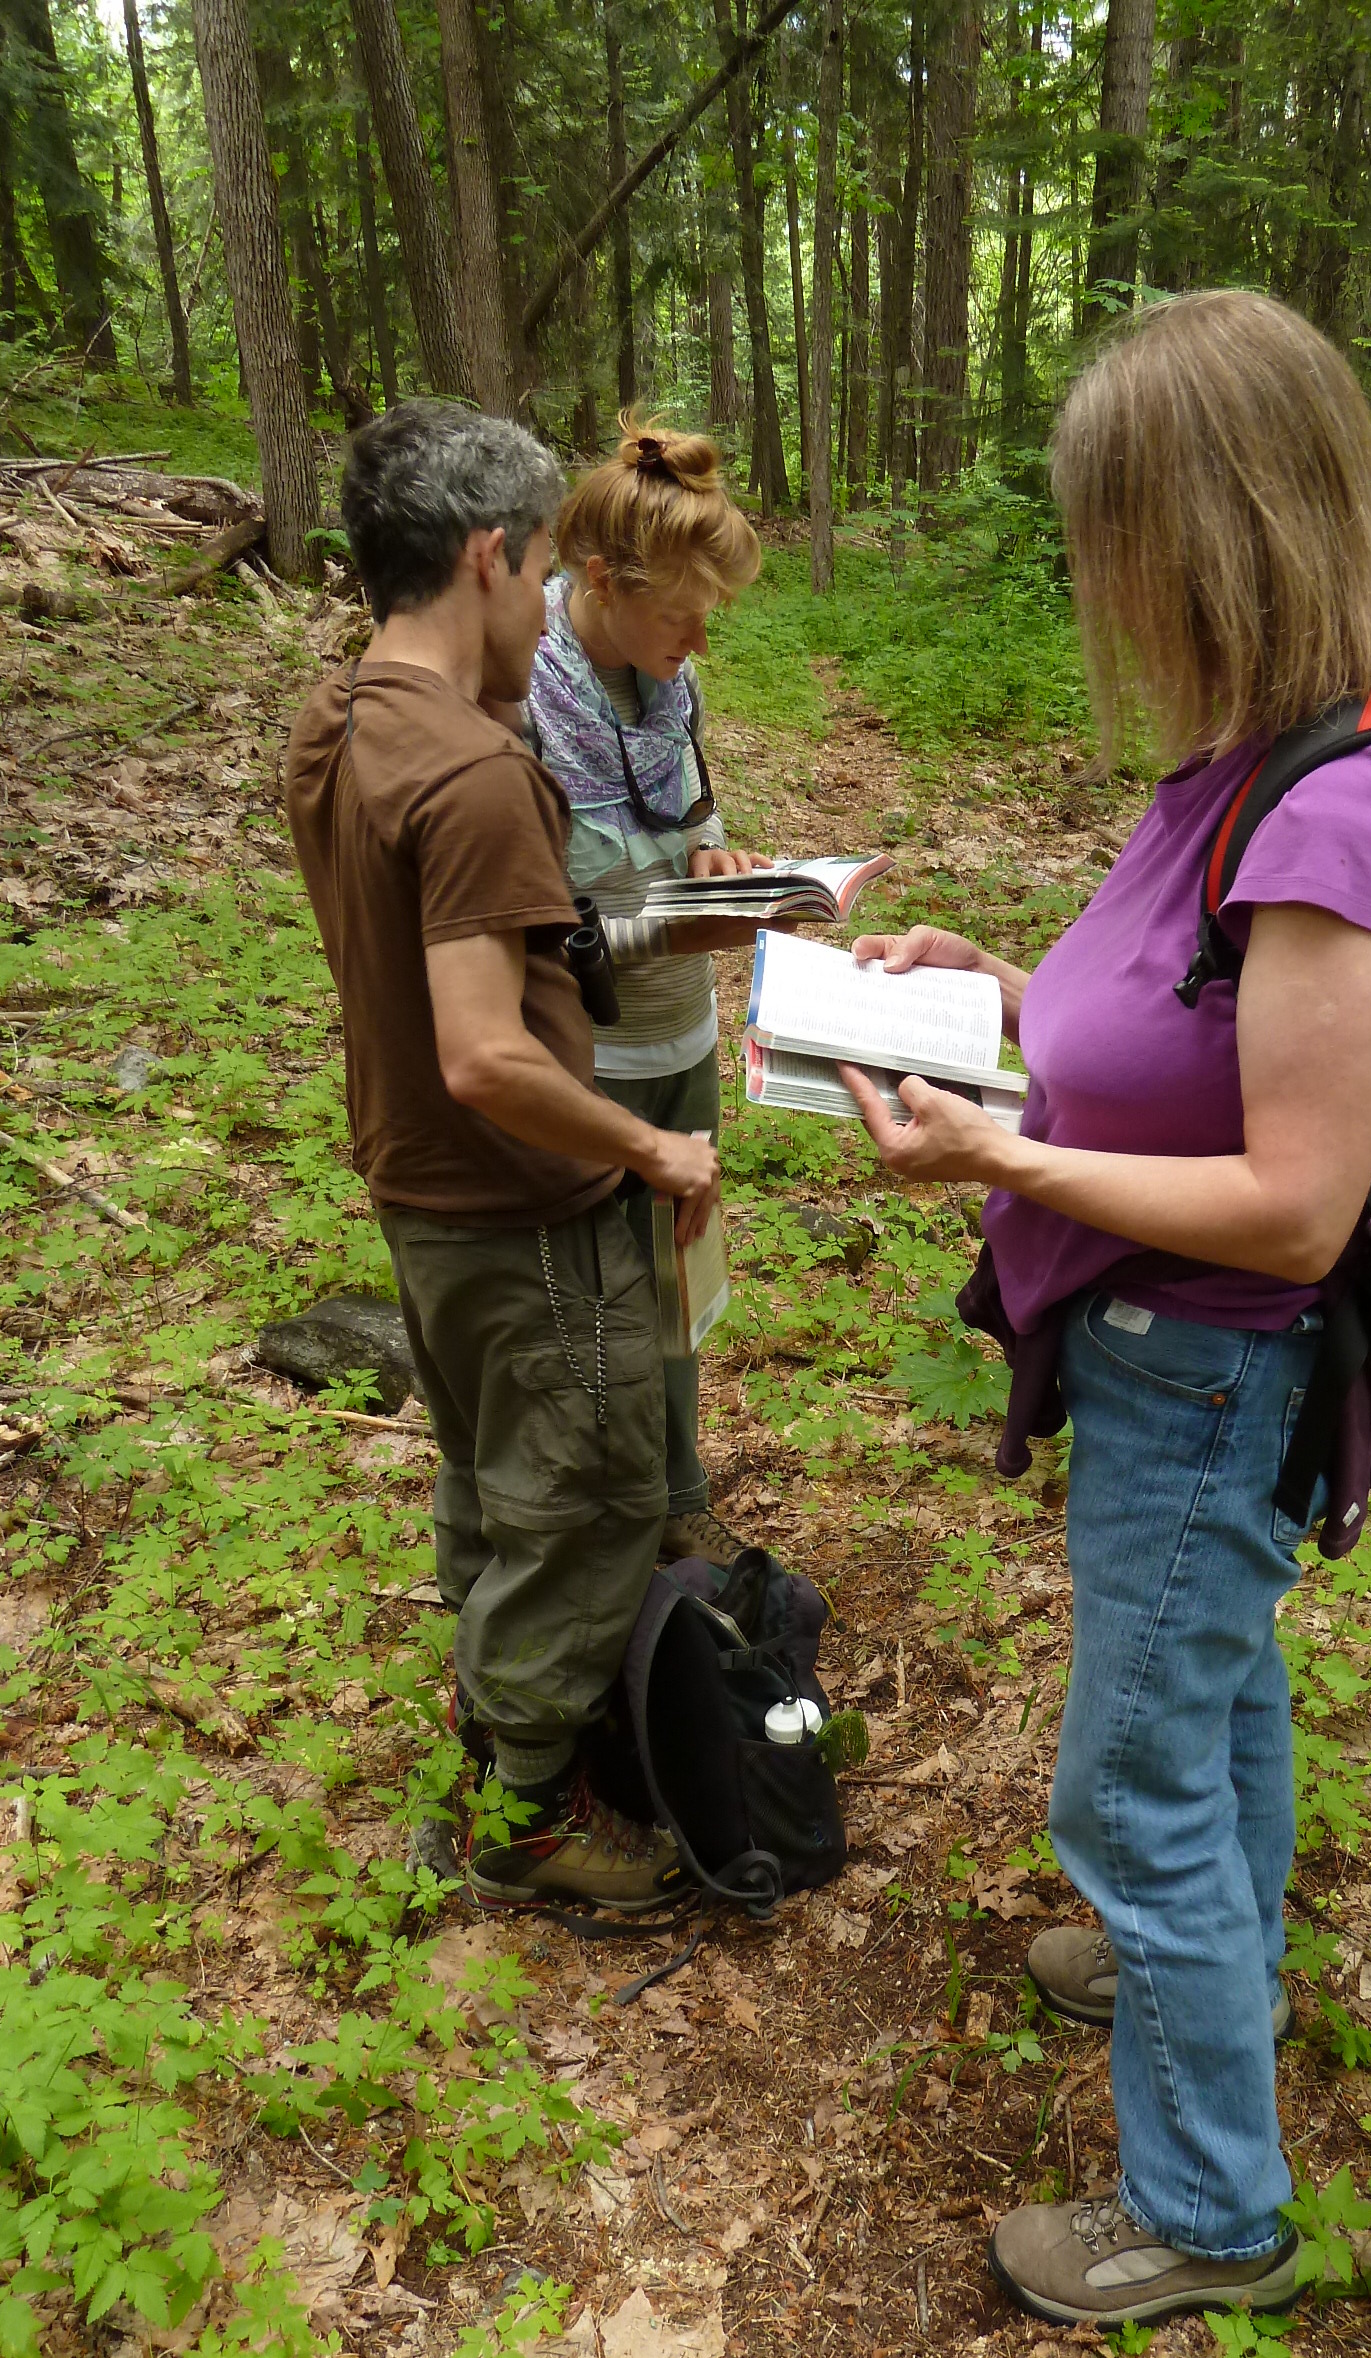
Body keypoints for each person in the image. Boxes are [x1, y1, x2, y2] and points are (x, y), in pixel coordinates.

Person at [839, 292, 1371, 2326]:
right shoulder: (1245, 760)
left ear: (1210, 528)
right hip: (1170, 1358)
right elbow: (1191, 1034)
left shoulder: (1346, 807)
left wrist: (1000, 1156)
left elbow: (1295, 1202)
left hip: (1212, 1359)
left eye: (1109, 522)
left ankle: (1206, 2207)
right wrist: (1009, 995)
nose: (1093, 570)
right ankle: (1208, 1947)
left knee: (1123, 1778)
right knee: (1216, 1688)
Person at [284, 401, 753, 1915]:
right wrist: (648, 1150)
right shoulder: (478, 770)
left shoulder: (344, 720)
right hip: (520, 1205)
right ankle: (528, 1819)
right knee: (595, 1499)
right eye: (540, 556)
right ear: (490, 556)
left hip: (420, 1193)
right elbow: (485, 1050)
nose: (546, 588)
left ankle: (493, 1722)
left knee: (494, 1480)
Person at [521, 420, 762, 1569]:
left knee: (678, 1274)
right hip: (588, 1058)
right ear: (602, 584)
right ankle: (613, 1517)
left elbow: (696, 822)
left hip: (682, 1034)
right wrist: (661, 919)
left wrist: (717, 863)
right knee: (597, 1300)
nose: (700, 637)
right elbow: (525, 922)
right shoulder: (525, 702)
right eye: (682, 614)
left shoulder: (675, 685)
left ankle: (679, 1490)